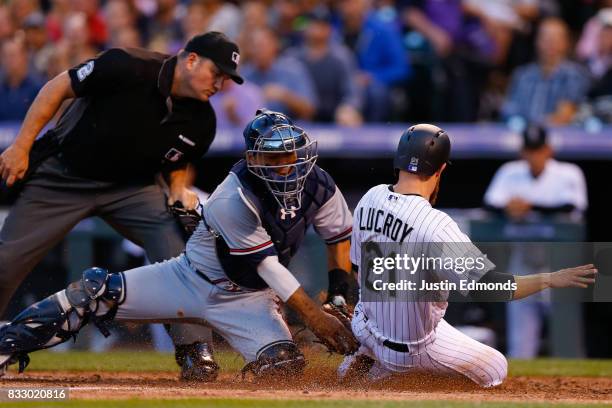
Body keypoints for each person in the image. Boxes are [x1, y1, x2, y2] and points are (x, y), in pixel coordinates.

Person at [0, 109, 358, 379]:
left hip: (249, 300)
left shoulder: (319, 183)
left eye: (290, 154)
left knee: (285, 369)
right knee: (92, 293)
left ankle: (203, 354)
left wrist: (341, 294)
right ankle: (5, 345)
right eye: (273, 157)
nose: (284, 166)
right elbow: (267, 265)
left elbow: (339, 237)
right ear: (253, 159)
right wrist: (314, 318)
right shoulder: (233, 195)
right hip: (189, 279)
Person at [0, 31, 244, 381]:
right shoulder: (128, 66)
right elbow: (56, 87)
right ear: (191, 60)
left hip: (132, 189)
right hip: (65, 176)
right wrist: (21, 146)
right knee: (7, 259)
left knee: (181, 253)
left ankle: (194, 350)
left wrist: (178, 188)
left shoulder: (202, 121)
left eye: (226, 78)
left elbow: (177, 159)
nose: (220, 84)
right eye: (217, 73)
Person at [339, 124, 597, 387]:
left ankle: (369, 354)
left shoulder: (369, 198)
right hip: (410, 349)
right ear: (440, 170)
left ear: (399, 163)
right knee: (496, 368)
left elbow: (358, 270)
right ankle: (396, 378)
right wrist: (548, 279)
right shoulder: (436, 225)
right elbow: (491, 286)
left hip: (365, 327)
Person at [483, 124, 588, 358]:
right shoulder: (510, 171)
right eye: (530, 150)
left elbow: (573, 206)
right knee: (521, 344)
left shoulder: (569, 173)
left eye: (538, 150)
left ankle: (577, 391)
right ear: (523, 151)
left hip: (561, 262)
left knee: (567, 339)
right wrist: (508, 209)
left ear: (548, 150)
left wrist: (529, 207)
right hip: (524, 260)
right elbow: (490, 203)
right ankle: (521, 390)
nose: (534, 156)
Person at [501, 17, 590, 125]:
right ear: (537, 41)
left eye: (556, 39)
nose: (550, 43)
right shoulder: (522, 74)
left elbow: (565, 116)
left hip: (561, 138)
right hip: (521, 136)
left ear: (566, 43)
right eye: (546, 38)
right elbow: (509, 111)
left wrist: (534, 129)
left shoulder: (575, 75)